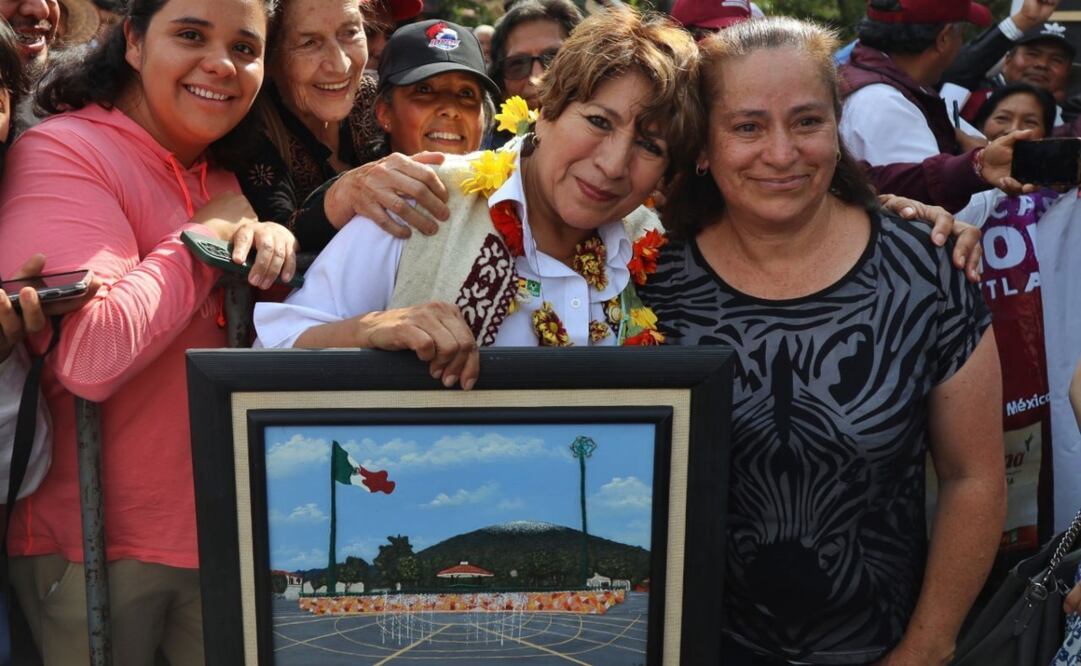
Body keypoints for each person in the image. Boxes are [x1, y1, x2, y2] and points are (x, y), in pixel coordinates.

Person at [643, 16, 1005, 664]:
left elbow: (972, 477)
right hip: (685, 647)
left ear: (838, 131)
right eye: (747, 127)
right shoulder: (645, 279)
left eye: (807, 121)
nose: (782, 153)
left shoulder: (925, 271)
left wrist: (926, 647)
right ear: (702, 146)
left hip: (882, 648)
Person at [0, 0, 298, 662]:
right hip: (89, 553)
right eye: (191, 35)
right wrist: (205, 238)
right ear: (133, 42)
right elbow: (91, 356)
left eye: (245, 49)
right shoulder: (62, 150)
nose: (221, 64)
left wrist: (273, 248)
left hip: (225, 543)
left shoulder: (223, 173)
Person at [254, 8, 704, 389]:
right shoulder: (420, 199)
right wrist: (367, 331)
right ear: (546, 110)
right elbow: (269, 352)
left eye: (650, 146)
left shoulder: (659, 251)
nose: (613, 164)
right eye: (599, 122)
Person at [237, 0, 454, 254]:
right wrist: (341, 197)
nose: (340, 65)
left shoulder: (376, 98)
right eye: (309, 42)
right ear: (270, 57)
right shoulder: (251, 129)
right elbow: (275, 236)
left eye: (350, 32)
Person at [840, 0, 1039, 213]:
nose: (961, 44)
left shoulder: (896, 83)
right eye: (961, 33)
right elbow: (936, 217)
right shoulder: (884, 103)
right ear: (944, 38)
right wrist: (991, 173)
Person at [941, 0, 1068, 123]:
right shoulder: (973, 99)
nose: (1042, 64)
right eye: (1032, 54)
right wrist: (1023, 20)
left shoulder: (1068, 121)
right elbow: (957, 70)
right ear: (1007, 60)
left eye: (1056, 60)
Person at [486, 0, 581, 146]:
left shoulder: (613, 148)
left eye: (553, 58)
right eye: (518, 64)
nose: (537, 77)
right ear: (501, 86)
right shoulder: (481, 154)